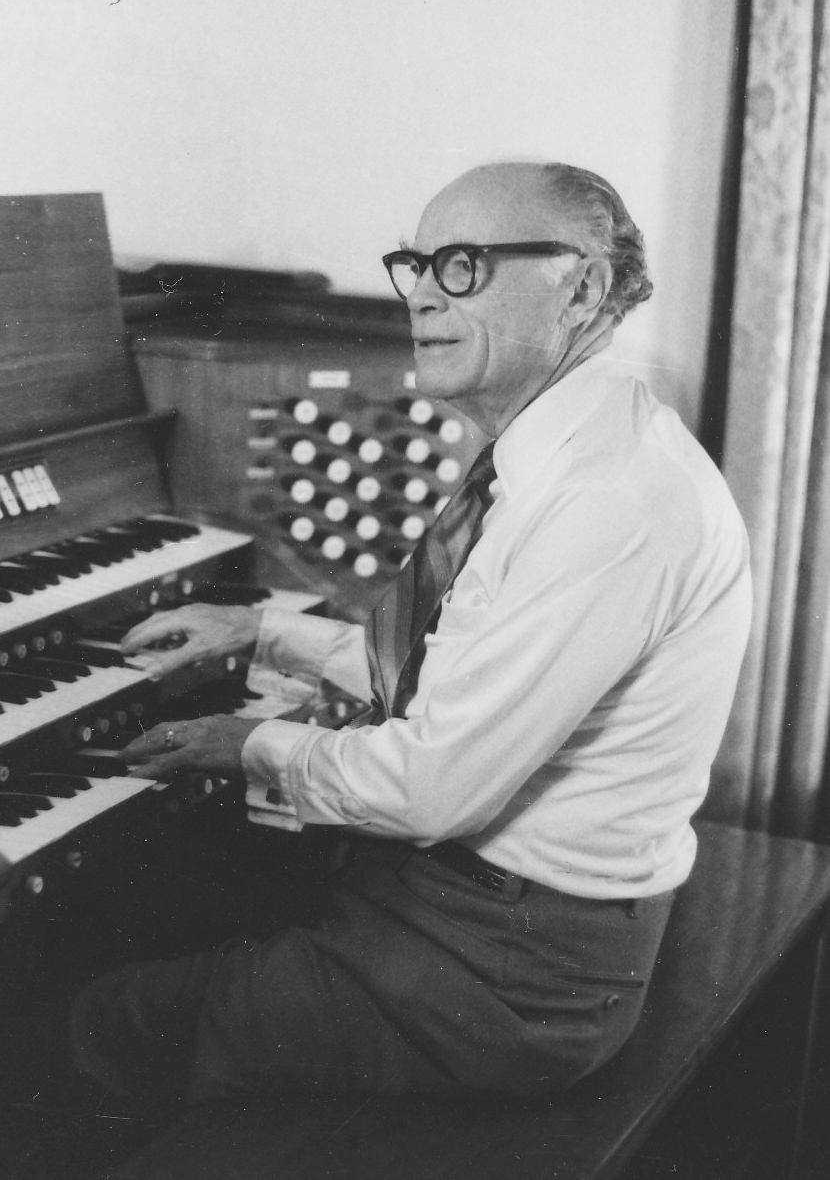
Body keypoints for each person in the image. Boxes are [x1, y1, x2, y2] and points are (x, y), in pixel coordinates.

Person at [67, 161, 752, 1112]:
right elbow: (456, 674)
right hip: (466, 905)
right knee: (147, 903)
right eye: (417, 264)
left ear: (584, 286)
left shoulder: (609, 503)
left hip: (511, 974)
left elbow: (433, 788)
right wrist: (262, 632)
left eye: (463, 265)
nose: (421, 297)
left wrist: (245, 742)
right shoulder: (563, 456)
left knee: (101, 1010)